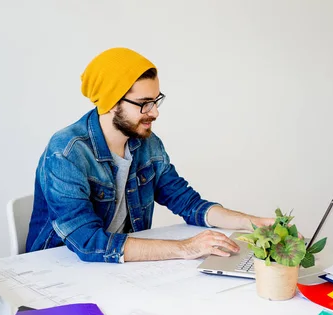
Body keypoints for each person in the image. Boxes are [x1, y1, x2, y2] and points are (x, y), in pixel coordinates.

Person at [26, 47, 274, 263]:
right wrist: (186, 248)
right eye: (144, 103)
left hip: (118, 266)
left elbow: (188, 203)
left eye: (156, 101)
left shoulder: (147, 144)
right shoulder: (66, 153)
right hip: (61, 268)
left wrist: (252, 223)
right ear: (112, 102)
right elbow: (88, 241)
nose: (154, 112)